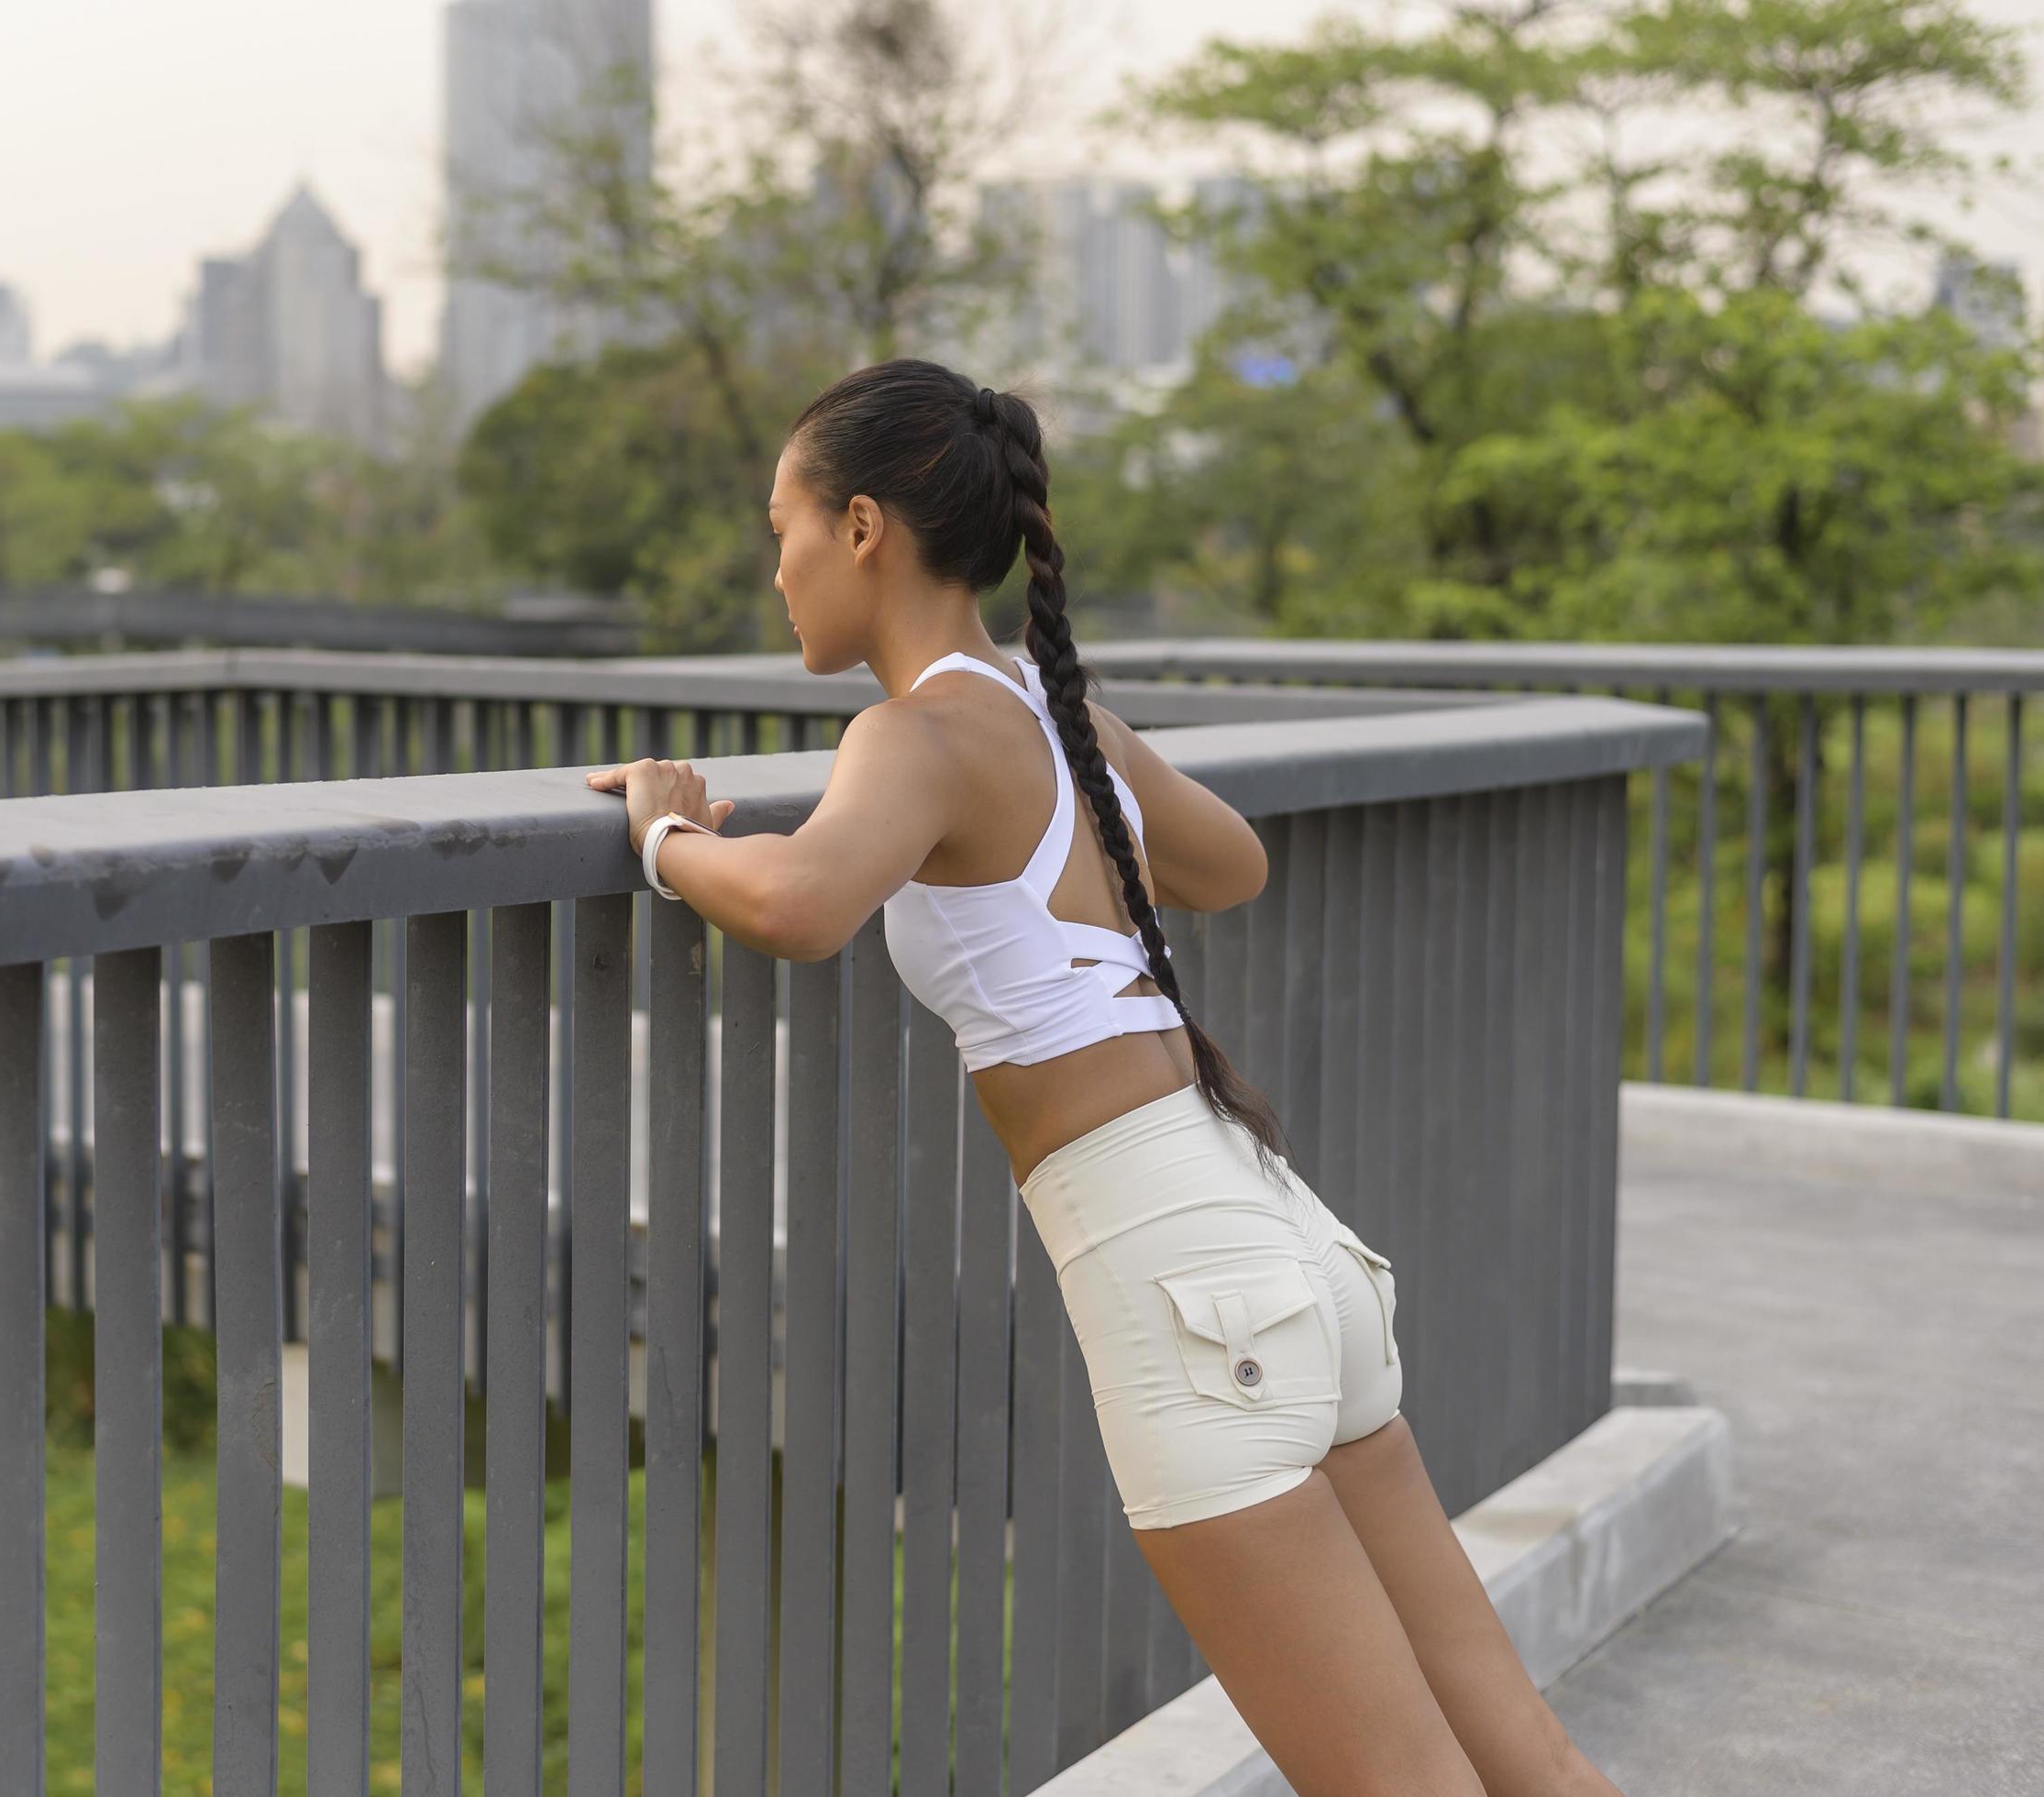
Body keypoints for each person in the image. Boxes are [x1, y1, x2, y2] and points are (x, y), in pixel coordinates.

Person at [584, 358, 1623, 1796]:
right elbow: (1232, 864)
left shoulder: (916, 732)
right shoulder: (1056, 722)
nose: (778, 567)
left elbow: (799, 907)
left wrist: (665, 832)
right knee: (1534, 1763)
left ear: (866, 527)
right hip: (1283, 1245)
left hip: (1183, 1288)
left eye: (786, 526)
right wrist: (1086, 817)